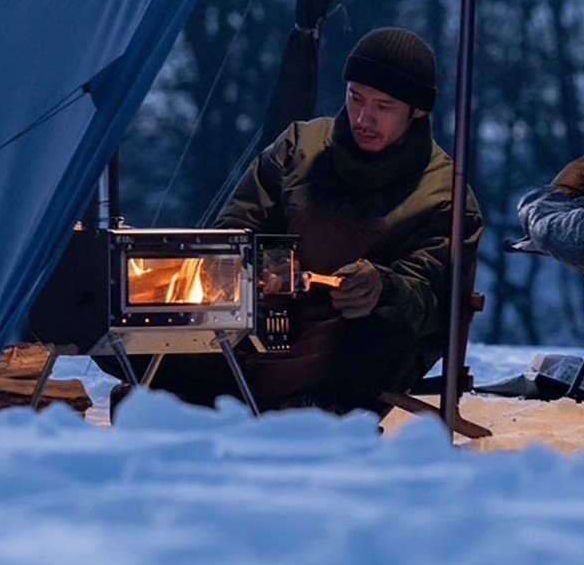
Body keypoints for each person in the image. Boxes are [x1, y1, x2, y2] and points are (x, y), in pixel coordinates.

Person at [156, 27, 482, 415]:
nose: (364, 117)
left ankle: (219, 397)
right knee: (143, 318)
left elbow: (429, 291)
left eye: (383, 106)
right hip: (263, 325)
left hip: (347, 340)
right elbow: (236, 229)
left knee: (385, 332)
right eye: (356, 98)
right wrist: (255, 270)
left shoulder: (444, 194)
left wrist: (382, 285)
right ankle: (256, 394)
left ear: (418, 110)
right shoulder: (299, 147)